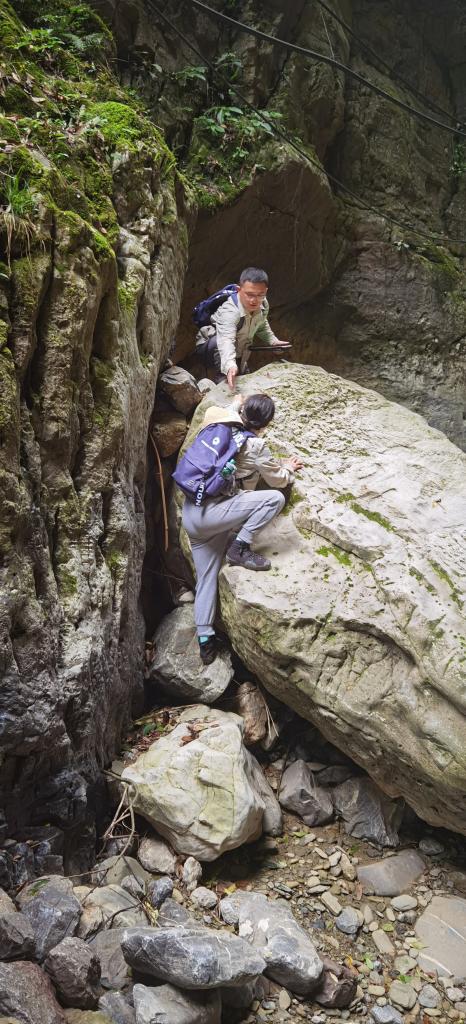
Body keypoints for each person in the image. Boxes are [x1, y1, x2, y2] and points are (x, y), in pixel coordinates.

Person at [182, 393, 303, 665]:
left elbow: (230, 408)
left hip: (192, 514)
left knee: (206, 578)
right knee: (274, 499)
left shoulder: (218, 419)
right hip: (214, 515)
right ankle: (240, 547)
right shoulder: (256, 445)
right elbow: (278, 481)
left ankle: (205, 640)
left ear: (242, 410)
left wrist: (237, 402)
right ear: (266, 424)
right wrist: (288, 468)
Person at [195, 268, 291, 391]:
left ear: (265, 291)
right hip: (212, 347)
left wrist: (273, 341)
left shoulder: (263, 304)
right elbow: (226, 340)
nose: (254, 300)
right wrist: (230, 365)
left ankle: (238, 369)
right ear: (239, 290)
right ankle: (221, 377)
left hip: (239, 348)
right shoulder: (230, 311)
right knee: (226, 361)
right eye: (249, 294)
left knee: (242, 376)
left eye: (260, 295)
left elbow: (261, 323)